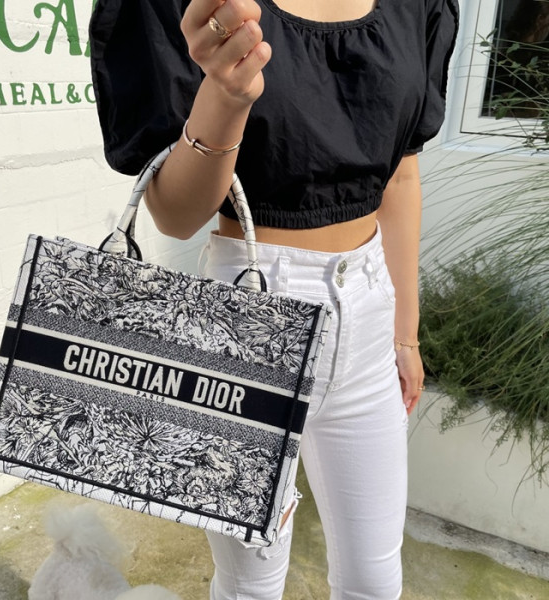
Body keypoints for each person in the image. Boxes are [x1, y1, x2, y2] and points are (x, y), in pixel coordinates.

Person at [89, 0, 459, 598]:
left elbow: (401, 174)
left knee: (375, 578)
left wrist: (405, 331)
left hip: (370, 310)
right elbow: (176, 216)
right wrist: (226, 95)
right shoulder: (200, 7)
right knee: (250, 584)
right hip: (247, 320)